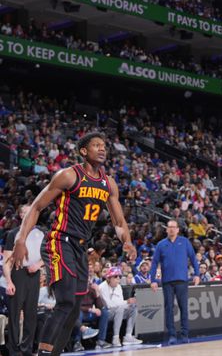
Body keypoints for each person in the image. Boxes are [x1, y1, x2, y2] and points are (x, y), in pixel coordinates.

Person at [10, 132, 137, 356]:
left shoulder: (109, 184)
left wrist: (126, 241)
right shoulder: (68, 175)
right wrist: (21, 240)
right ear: (83, 151)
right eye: (96, 145)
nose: (102, 149)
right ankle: (43, 353)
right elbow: (37, 207)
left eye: (104, 145)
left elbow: (118, 221)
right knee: (66, 301)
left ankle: (53, 352)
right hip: (59, 241)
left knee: (74, 309)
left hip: (80, 248)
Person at [150, 220, 200, 345]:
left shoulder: (184, 242)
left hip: (182, 281)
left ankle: (184, 334)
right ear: (166, 229)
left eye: (174, 227)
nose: (171, 229)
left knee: (184, 307)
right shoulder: (161, 244)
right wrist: (153, 280)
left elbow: (193, 258)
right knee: (169, 309)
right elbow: (154, 263)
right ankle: (172, 335)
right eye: (169, 227)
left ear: (178, 229)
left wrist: (197, 274)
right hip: (167, 282)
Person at [3, 205, 44, 356]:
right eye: (26, 213)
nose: (29, 215)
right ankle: (14, 351)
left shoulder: (41, 233)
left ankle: (26, 350)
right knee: (14, 315)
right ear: (20, 215)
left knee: (31, 315)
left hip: (34, 275)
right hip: (17, 274)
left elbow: (49, 255)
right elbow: (6, 261)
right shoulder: (13, 234)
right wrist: (9, 282)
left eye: (32, 212)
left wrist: (38, 264)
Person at [98, 267, 141, 346]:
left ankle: (128, 336)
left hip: (118, 311)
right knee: (120, 308)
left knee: (133, 307)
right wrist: (126, 302)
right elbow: (108, 305)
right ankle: (115, 337)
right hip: (107, 312)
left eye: (119, 277)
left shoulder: (118, 287)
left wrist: (129, 303)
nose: (118, 279)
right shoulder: (102, 287)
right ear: (109, 278)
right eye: (115, 277)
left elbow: (120, 302)